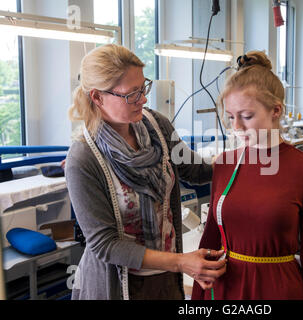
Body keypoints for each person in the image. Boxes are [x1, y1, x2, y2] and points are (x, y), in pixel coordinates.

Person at [65, 44, 226, 300]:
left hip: (165, 281)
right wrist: (180, 262)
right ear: (97, 97)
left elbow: (194, 170)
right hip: (117, 285)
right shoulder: (83, 160)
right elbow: (106, 245)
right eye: (132, 94)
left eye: (143, 88)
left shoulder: (156, 126)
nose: (143, 99)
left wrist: (240, 159)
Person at [191, 51, 303, 300]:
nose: (236, 127)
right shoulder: (224, 164)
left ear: (276, 110)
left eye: (246, 116)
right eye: (231, 117)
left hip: (278, 289)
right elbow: (209, 240)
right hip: (226, 288)